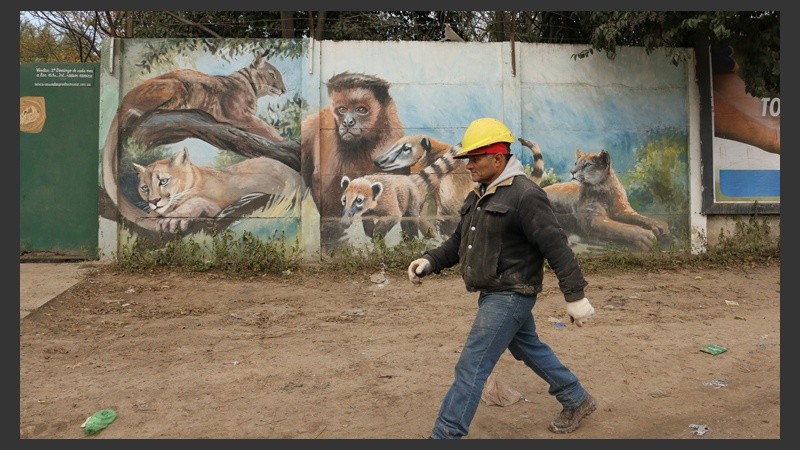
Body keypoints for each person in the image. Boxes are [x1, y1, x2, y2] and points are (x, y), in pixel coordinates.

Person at [407, 117, 597, 439]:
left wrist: (575, 296)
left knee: (472, 366)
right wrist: (430, 260)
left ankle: (446, 435)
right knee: (528, 348)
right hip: (495, 290)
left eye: (475, 158)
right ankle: (576, 398)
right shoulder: (478, 195)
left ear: (498, 158)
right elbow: (459, 241)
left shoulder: (525, 195)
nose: (468, 165)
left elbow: (556, 245)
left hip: (511, 295)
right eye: (467, 158)